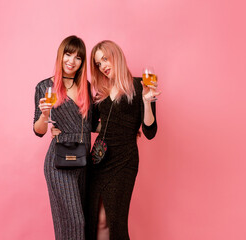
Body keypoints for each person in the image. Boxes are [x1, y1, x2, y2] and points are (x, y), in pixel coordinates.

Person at [86, 40, 160, 240]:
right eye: (98, 63)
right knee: (96, 220)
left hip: (124, 161)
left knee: (114, 221)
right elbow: (92, 124)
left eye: (105, 59)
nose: (103, 66)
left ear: (116, 56)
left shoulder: (139, 85)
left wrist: (146, 101)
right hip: (98, 160)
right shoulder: (100, 92)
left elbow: (150, 130)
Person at [33, 35, 92, 240]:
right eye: (68, 54)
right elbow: (39, 130)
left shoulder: (87, 86)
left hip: (84, 161)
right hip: (59, 161)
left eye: (78, 57)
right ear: (61, 55)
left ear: (82, 62)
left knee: (76, 224)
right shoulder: (44, 86)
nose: (71, 61)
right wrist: (45, 116)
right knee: (75, 222)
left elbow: (92, 124)